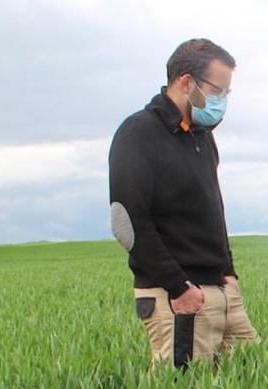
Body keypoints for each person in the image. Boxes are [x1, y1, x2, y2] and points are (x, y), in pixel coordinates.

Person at [108, 38, 257, 369]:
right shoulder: (139, 133)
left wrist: (228, 272)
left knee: (251, 376)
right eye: (218, 91)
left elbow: (212, 212)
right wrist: (179, 287)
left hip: (221, 289)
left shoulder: (201, 136)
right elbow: (126, 222)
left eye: (227, 94)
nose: (222, 101)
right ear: (186, 81)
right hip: (177, 296)